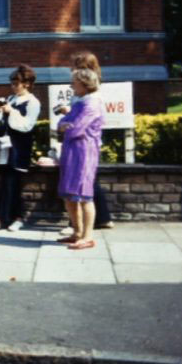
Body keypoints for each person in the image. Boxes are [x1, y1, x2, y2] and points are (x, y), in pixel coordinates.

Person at [57, 51, 113, 235]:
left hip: (84, 150)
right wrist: (65, 124)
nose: (71, 84)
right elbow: (63, 124)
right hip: (73, 151)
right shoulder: (81, 100)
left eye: (76, 67)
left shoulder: (91, 102)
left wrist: (67, 125)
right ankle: (77, 231)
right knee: (73, 192)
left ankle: (86, 233)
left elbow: (75, 128)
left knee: (84, 193)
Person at [0, 65, 41, 232]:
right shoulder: (11, 98)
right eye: (12, 82)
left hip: (19, 147)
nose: (13, 86)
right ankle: (15, 218)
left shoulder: (33, 102)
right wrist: (0, 109)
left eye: (17, 83)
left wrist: (11, 111)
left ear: (27, 84)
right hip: (6, 146)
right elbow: (1, 121)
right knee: (7, 182)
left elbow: (26, 126)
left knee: (13, 182)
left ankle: (0, 218)